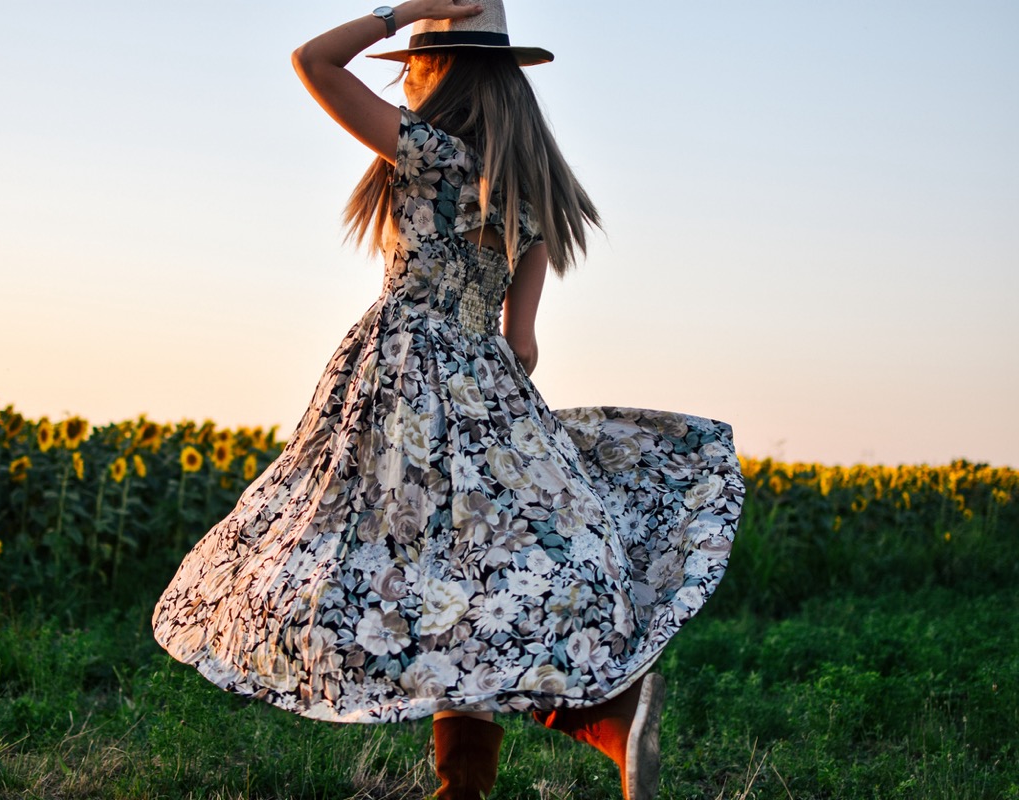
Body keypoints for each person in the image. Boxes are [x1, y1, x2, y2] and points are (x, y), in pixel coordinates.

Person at [151, 2, 745, 798]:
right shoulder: (532, 195)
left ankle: (541, 742)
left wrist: (401, 11)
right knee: (476, 581)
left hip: (401, 377)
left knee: (342, 566)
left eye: (415, 62)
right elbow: (522, 345)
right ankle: (569, 731)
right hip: (485, 383)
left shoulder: (428, 154)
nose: (409, 74)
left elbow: (312, 62)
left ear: (444, 71)